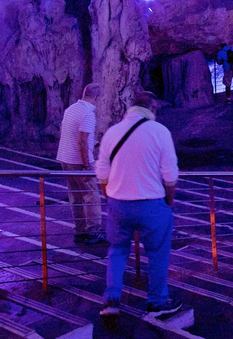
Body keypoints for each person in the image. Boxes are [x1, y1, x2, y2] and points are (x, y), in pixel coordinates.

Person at [96, 90, 182, 319]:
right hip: (151, 203)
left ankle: (111, 300)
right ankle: (157, 302)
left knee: (117, 250)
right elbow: (170, 174)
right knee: (157, 253)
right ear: (152, 109)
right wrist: (169, 202)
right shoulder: (160, 132)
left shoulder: (112, 132)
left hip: (117, 203)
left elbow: (102, 172)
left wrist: (110, 196)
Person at [56, 82, 104, 244]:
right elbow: (82, 140)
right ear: (96, 97)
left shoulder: (70, 110)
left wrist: (93, 142)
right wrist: (86, 164)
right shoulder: (88, 114)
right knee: (91, 197)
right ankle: (93, 232)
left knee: (75, 196)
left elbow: (65, 131)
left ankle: (80, 230)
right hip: (79, 162)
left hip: (65, 158)